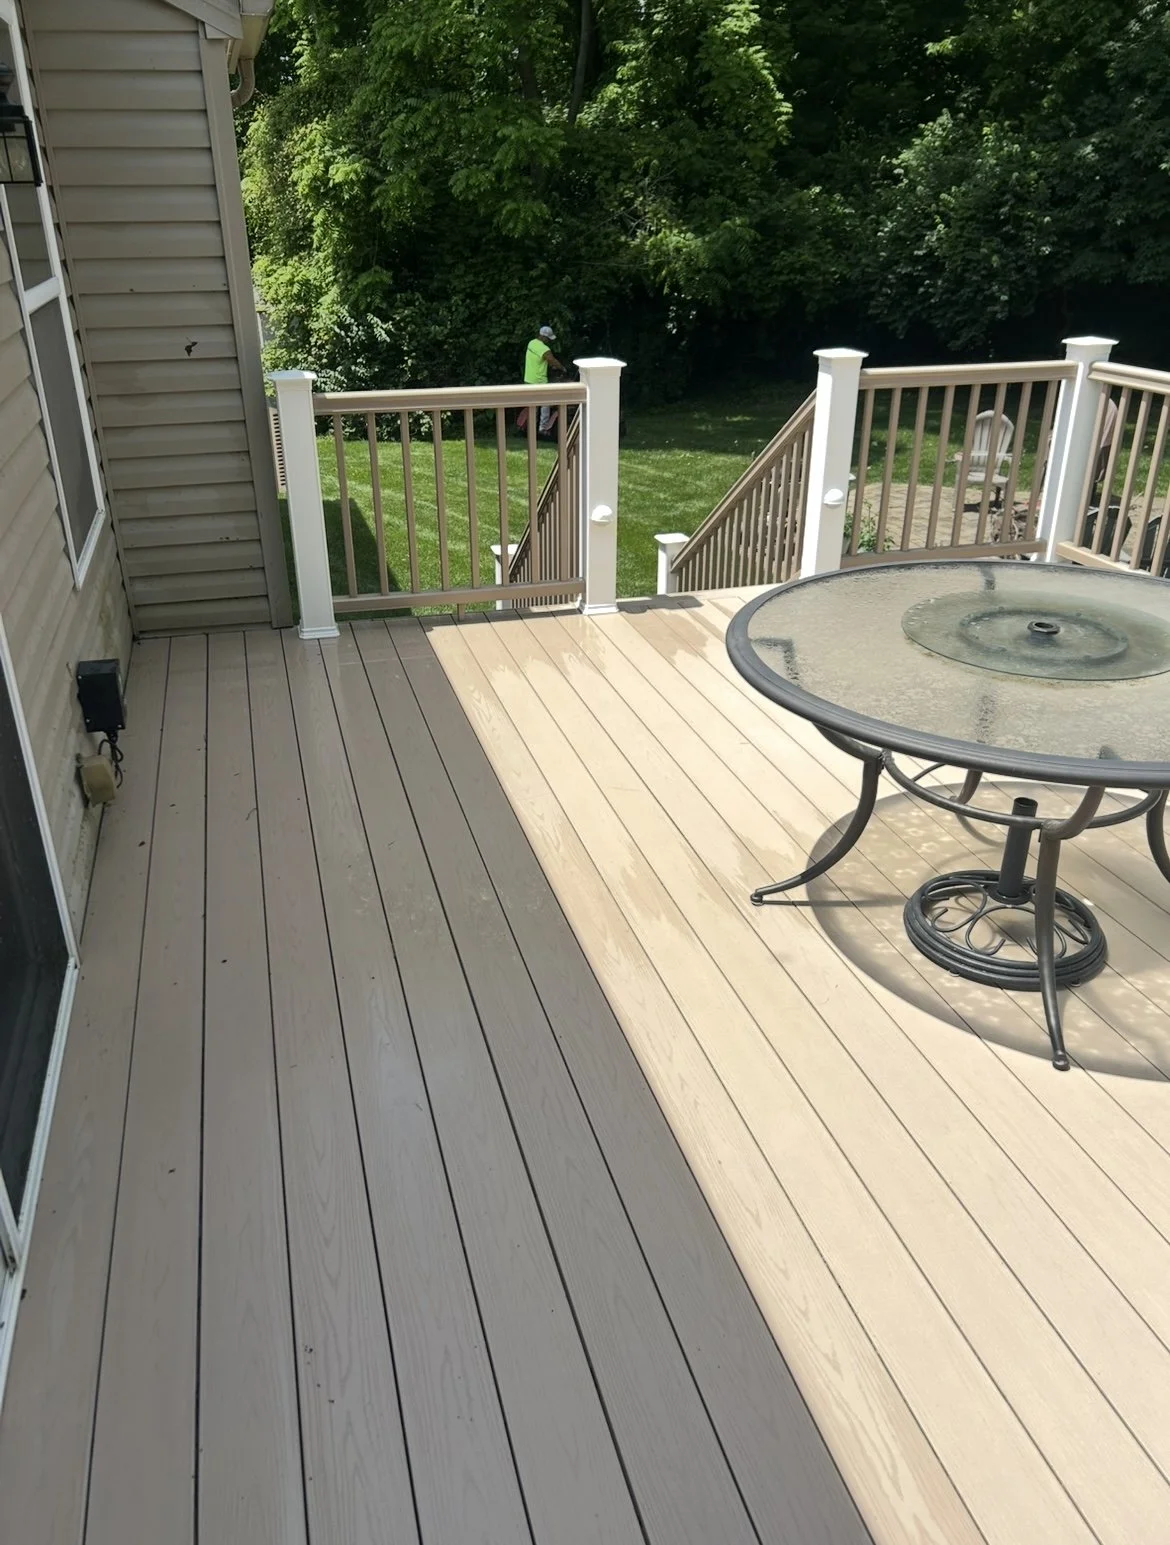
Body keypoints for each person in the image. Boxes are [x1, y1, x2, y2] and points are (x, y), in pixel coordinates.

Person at [520, 325, 563, 436]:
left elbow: (540, 359)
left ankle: (530, 429)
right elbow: (551, 359)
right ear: (544, 337)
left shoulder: (531, 343)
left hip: (528, 379)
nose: (549, 341)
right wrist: (562, 368)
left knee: (532, 405)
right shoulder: (544, 349)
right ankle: (543, 429)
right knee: (546, 404)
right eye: (548, 339)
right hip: (539, 381)